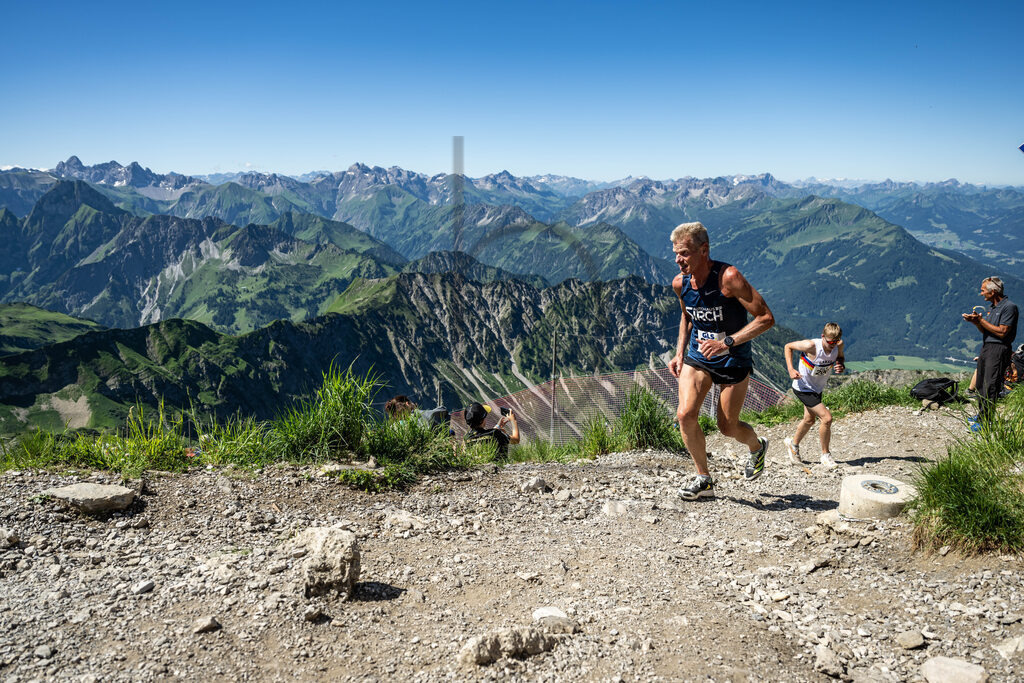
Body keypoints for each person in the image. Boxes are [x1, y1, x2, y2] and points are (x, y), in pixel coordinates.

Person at [667, 222, 775, 500]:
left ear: (704, 250)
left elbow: (765, 319)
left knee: (727, 427)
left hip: (733, 359)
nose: (679, 260)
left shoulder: (728, 278)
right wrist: (680, 353)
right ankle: (704, 479)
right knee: (685, 414)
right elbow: (687, 316)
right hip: (698, 357)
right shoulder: (680, 283)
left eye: (685, 253)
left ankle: (756, 446)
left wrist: (726, 342)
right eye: (676, 253)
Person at [782, 323, 846, 469]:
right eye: (830, 342)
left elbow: (840, 358)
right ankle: (825, 455)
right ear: (823, 336)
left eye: (836, 342)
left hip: (817, 388)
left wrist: (840, 365)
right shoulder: (811, 346)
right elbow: (788, 346)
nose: (833, 345)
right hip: (803, 387)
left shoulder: (838, 345)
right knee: (827, 418)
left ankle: (793, 444)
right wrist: (791, 369)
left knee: (809, 420)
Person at [962, 277, 1018, 427]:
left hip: (999, 349)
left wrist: (981, 321)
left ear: (993, 292)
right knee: (981, 383)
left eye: (983, 291)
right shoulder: (993, 308)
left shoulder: (1009, 307)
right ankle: (981, 415)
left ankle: (986, 421)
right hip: (987, 346)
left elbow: (1002, 332)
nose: (981, 294)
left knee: (990, 385)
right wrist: (976, 322)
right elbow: (987, 329)